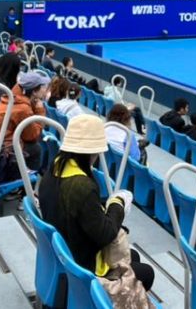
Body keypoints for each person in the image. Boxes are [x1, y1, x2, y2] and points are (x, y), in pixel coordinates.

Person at [38, 114, 154, 295]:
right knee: (147, 273)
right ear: (91, 152)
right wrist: (118, 204)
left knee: (135, 257)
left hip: (65, 252)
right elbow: (105, 234)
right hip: (83, 267)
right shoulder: (82, 186)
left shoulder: (55, 167)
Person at [0, 70, 49, 179]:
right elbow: (32, 136)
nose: (46, 90)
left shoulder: (12, 98)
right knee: (36, 148)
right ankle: (27, 183)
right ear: (34, 91)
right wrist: (40, 109)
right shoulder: (23, 108)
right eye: (43, 87)